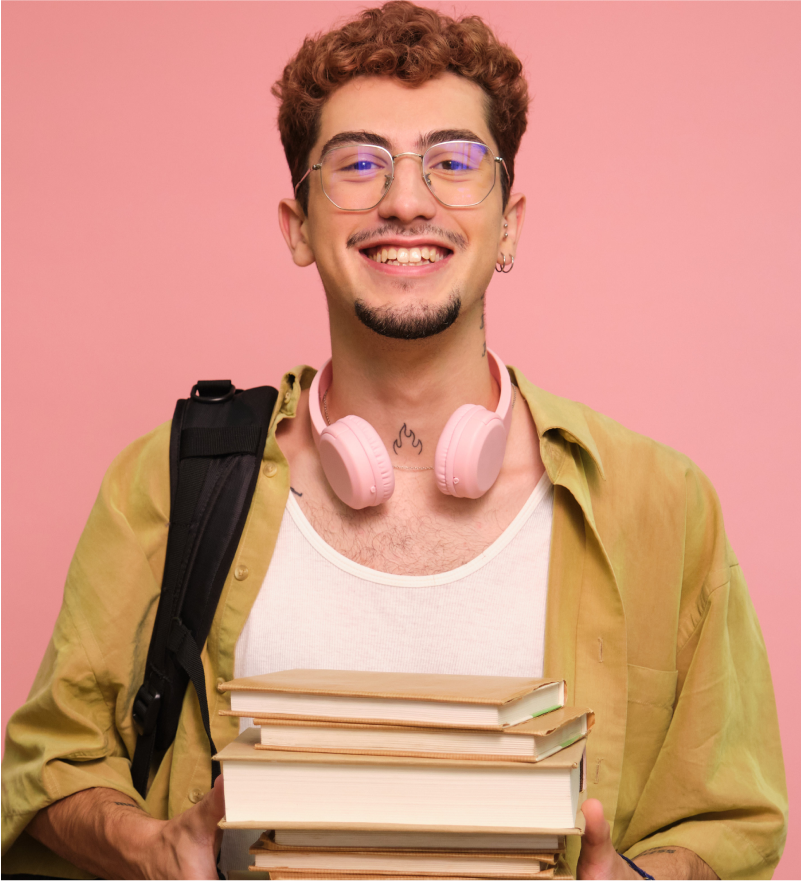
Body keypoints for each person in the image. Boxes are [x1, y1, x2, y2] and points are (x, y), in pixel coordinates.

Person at [0, 3, 787, 880]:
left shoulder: (661, 502)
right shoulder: (168, 480)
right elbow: (47, 769)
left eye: (452, 162)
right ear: (297, 226)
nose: (404, 199)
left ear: (510, 222)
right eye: (357, 163)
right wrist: (148, 845)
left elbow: (730, 817)